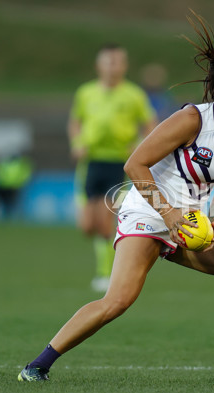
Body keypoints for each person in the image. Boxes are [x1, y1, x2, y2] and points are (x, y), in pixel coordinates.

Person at [18, 11, 214, 385]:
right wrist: (167, 214)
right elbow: (135, 165)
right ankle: (36, 366)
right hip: (149, 214)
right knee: (117, 301)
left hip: (185, 223)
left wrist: (213, 223)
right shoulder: (192, 120)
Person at [68, 44, 158, 292]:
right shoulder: (86, 93)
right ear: (99, 65)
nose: (113, 66)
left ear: (124, 66)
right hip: (91, 163)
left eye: (118, 62)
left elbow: (151, 124)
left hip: (120, 164)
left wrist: (139, 146)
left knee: (107, 222)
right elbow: (75, 121)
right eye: (109, 61)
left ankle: (105, 274)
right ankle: (105, 267)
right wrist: (77, 143)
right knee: (88, 226)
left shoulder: (134, 95)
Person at [0, 153, 33, 220]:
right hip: (1, 187)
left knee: (9, 204)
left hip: (12, 188)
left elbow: (24, 177)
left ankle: (9, 218)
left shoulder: (19, 165)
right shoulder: (5, 164)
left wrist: (17, 185)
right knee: (3, 202)